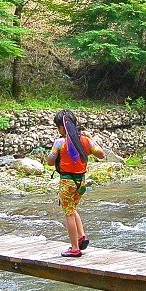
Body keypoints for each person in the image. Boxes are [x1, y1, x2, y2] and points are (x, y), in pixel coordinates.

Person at [46, 109, 105, 258]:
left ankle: (74, 248)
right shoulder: (85, 141)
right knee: (72, 208)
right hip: (81, 182)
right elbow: (101, 154)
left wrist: (56, 152)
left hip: (67, 182)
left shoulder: (60, 142)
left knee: (68, 214)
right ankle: (81, 236)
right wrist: (91, 139)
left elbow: (49, 162)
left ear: (61, 127)